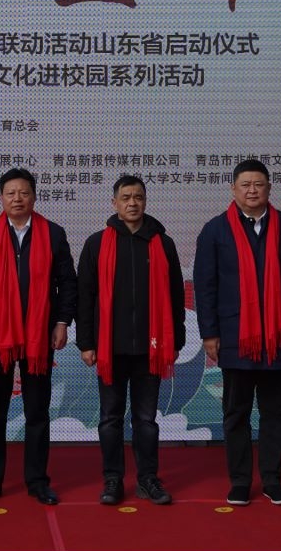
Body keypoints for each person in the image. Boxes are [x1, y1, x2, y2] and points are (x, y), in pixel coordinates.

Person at [193, 159, 281, 507]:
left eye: (258, 184)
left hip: (279, 334)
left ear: (269, 188)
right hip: (235, 336)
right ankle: (240, 481)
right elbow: (206, 287)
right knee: (237, 412)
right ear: (233, 189)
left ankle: (273, 480)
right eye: (245, 185)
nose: (252, 190)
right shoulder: (215, 230)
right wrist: (209, 333)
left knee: (275, 412)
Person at [0, 168, 77, 506]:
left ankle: (37, 481)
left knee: (37, 412)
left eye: (24, 192)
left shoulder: (53, 234)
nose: (17, 199)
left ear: (34, 196)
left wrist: (62, 321)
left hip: (39, 336)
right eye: (11, 193)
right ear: (1, 198)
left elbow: (67, 283)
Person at [76, 175, 186, 507]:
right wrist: (86, 342)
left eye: (138, 197)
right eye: (126, 197)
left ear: (145, 201)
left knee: (146, 420)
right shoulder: (97, 244)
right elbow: (85, 297)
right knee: (110, 418)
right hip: (110, 348)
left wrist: (176, 341)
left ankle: (147, 478)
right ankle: (112, 478)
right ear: (114, 203)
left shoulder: (163, 243)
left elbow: (176, 296)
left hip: (150, 349)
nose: (132, 203)